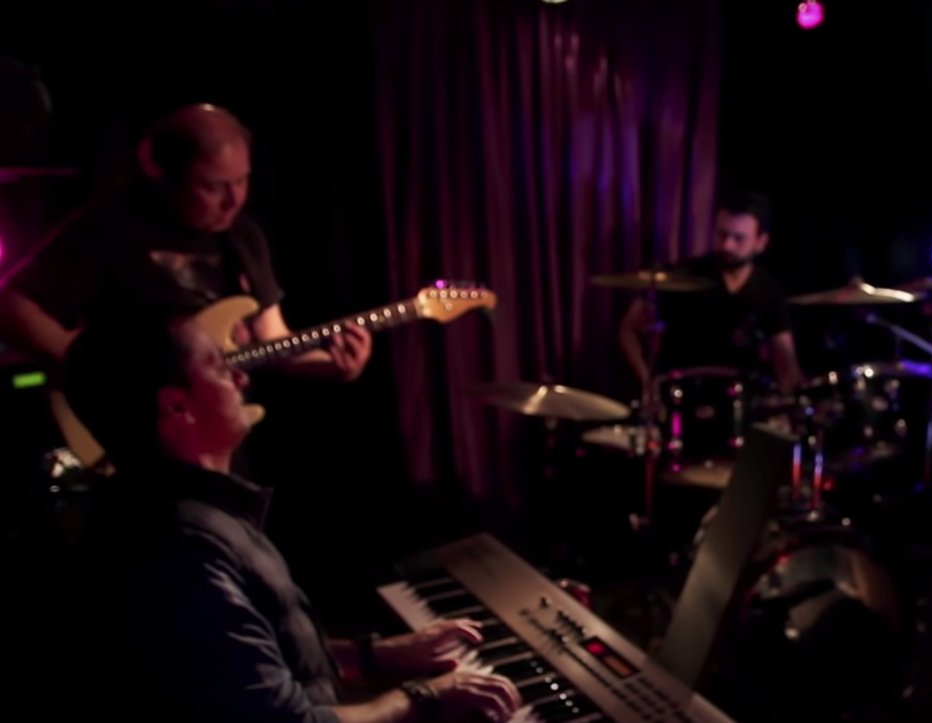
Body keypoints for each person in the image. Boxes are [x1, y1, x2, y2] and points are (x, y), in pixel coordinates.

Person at [45, 305, 520, 723]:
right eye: (220, 365)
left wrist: (377, 654)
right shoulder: (181, 550)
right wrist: (425, 697)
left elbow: (249, 662)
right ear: (176, 405)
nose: (241, 377)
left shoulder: (173, 511)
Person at [0, 102, 371, 378]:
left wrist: (332, 367)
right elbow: (10, 306)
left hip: (218, 429)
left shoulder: (244, 237)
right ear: (166, 177)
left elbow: (272, 339)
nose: (233, 199)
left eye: (241, 180)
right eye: (213, 186)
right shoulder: (109, 227)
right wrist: (85, 366)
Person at [617, 190, 804, 397]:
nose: (727, 245)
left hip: (742, 399)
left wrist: (791, 400)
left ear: (761, 242)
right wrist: (647, 381)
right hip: (683, 396)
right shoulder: (684, 276)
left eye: (738, 238)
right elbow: (628, 328)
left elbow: (786, 362)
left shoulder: (769, 290)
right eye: (721, 234)